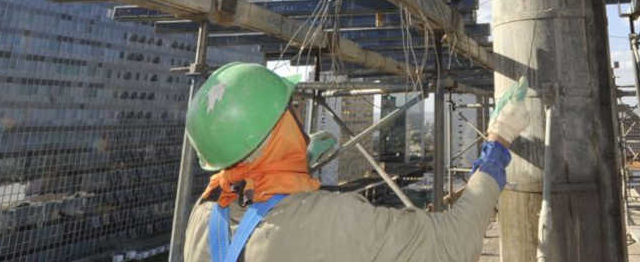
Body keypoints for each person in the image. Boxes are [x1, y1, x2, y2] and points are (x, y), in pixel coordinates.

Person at [181, 62, 530, 261]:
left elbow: (256, 198)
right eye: (292, 111)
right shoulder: (333, 219)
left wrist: (297, 163)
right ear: (280, 131)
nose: (298, 114)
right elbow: (453, 243)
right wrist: (497, 142)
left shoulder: (202, 216)